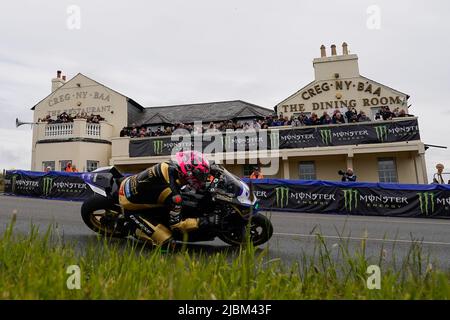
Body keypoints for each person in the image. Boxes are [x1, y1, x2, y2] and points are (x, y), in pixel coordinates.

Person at [118, 150, 219, 247]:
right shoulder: (174, 196)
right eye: (200, 176)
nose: (202, 179)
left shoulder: (168, 165)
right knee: (168, 243)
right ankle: (130, 228)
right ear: (189, 174)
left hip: (130, 183)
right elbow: (176, 225)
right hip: (128, 204)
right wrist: (203, 221)